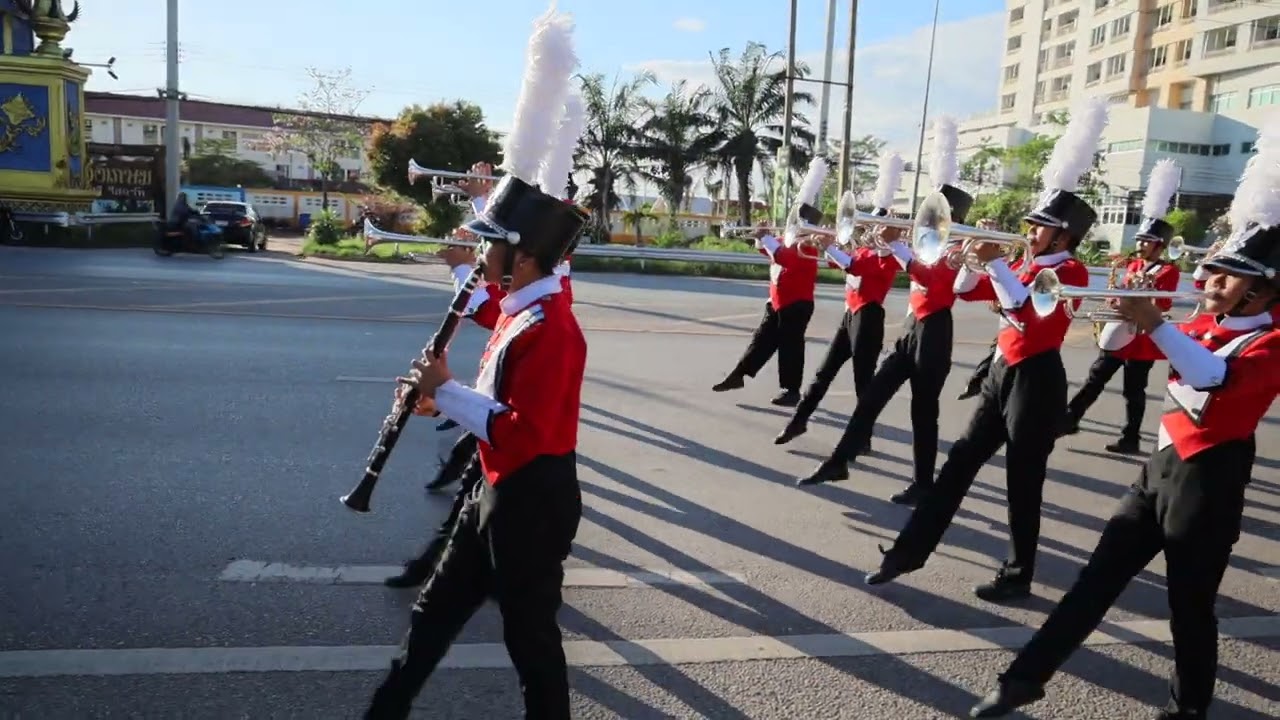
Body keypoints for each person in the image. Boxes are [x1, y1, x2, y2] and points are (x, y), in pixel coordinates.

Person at [969, 147, 1280, 718]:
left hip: (1209, 481)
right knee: (1092, 584)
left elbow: (1212, 376)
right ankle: (1021, 681)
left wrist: (1155, 320)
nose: (1209, 280)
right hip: (1157, 472)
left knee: (1190, 608)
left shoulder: (1270, 341)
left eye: (1227, 275)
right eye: (1213, 271)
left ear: (1262, 291)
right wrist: (1123, 315)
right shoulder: (1199, 323)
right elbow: (1116, 346)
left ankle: (1188, 708)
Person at [364, 168, 590, 717]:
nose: (481, 251)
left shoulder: (553, 330)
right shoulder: (524, 311)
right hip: (495, 491)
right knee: (431, 615)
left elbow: (521, 432)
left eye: (490, 243)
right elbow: (495, 401)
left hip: (532, 501)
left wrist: (445, 391)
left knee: (532, 647)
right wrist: (439, 399)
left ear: (525, 255)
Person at [864, 97, 1109, 603]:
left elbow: (1030, 315)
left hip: (1037, 379)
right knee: (958, 465)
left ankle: (1019, 573)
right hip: (1001, 372)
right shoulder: (1021, 263)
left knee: (1023, 483)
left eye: (1039, 227)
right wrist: (964, 259)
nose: (1029, 232)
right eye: (1032, 225)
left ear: (1066, 234)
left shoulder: (1071, 272)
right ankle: (906, 553)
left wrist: (996, 265)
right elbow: (961, 291)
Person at [795, 180, 976, 505]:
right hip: (912, 328)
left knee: (923, 412)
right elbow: (860, 265)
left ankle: (923, 483)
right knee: (871, 397)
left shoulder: (957, 251)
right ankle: (839, 461)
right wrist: (833, 246)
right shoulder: (924, 244)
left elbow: (931, 279)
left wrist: (896, 246)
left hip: (935, 330)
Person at [774, 152, 906, 438]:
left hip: (869, 317)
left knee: (864, 383)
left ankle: (863, 437)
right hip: (851, 315)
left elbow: (854, 265)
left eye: (876, 226)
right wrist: (826, 244)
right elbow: (842, 263)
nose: (869, 229)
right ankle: (799, 421)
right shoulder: (865, 247)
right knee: (823, 373)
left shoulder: (888, 255)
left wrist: (829, 247)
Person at [1059, 159, 1184, 454]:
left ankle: (1131, 437)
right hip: (1119, 331)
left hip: (1141, 339)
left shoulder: (1168, 271)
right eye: (1140, 240)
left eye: (1146, 242)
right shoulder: (1132, 264)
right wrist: (1115, 299)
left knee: (1133, 390)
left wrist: (1147, 288)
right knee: (1095, 377)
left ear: (1159, 246)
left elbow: (1164, 303)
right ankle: (1069, 419)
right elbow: (1118, 293)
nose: (1140, 246)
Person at [712, 159, 828, 406]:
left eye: (796, 221)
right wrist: (760, 238)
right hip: (776, 301)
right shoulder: (790, 241)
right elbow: (772, 254)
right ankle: (739, 375)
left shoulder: (807, 244)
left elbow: (784, 258)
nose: (791, 224)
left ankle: (791, 390)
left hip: (796, 304)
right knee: (761, 341)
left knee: (790, 347)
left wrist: (767, 239)